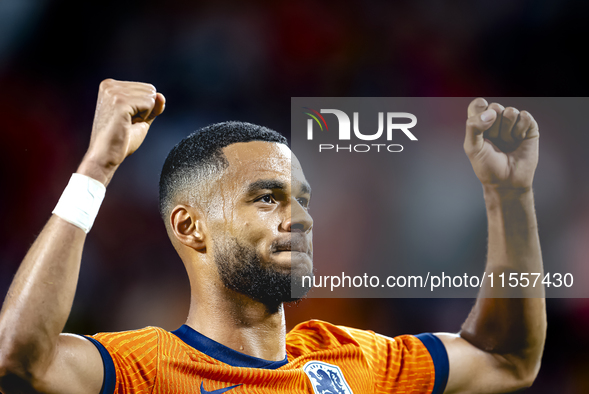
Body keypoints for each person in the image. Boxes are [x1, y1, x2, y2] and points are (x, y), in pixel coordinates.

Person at [0, 79, 546, 394]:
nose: (303, 219)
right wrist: (98, 166)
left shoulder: (358, 362)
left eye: (303, 199)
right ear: (190, 228)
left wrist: (509, 195)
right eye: (268, 198)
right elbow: (16, 358)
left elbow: (506, 357)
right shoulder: (142, 370)